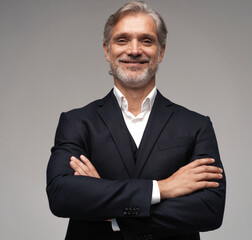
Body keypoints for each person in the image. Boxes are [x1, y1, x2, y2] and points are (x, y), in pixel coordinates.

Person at [46, 1, 226, 240]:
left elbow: (210, 210)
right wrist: (163, 188)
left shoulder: (196, 126)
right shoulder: (76, 122)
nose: (134, 50)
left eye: (146, 40)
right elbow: (62, 195)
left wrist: (107, 207)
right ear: (107, 50)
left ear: (161, 51)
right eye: (122, 40)